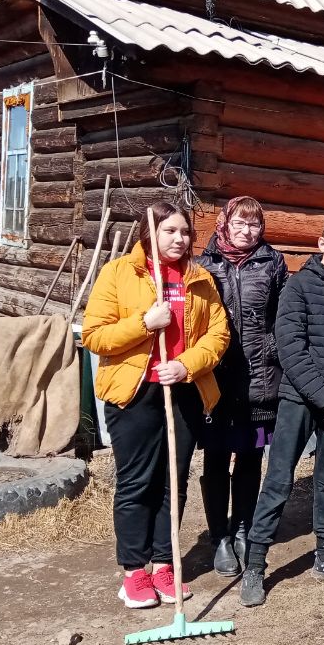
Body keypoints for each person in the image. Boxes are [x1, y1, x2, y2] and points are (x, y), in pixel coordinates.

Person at [82, 201, 229, 609]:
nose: (179, 239)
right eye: (170, 231)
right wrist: (145, 324)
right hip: (135, 394)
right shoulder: (119, 274)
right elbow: (94, 336)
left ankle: (165, 565)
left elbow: (218, 337)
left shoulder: (200, 279)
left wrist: (185, 365)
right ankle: (134, 571)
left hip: (183, 390)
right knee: (137, 481)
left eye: (184, 232)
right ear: (150, 234)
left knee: (174, 480)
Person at [239, 214, 324, 606]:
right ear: (321, 244)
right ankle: (255, 564)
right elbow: (290, 347)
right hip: (300, 400)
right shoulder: (298, 287)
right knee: (279, 479)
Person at [195, 196, 289, 577]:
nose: (247, 231)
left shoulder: (273, 263)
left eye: (254, 225)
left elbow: (285, 315)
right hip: (216, 377)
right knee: (216, 458)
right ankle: (220, 536)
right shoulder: (204, 264)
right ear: (225, 223)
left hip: (259, 376)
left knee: (250, 458)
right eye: (240, 223)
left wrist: (272, 347)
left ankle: (244, 528)